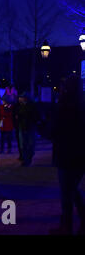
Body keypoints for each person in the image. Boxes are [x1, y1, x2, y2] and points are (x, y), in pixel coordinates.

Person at [50, 75, 84, 235]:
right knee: (73, 191)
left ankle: (66, 227)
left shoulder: (65, 106)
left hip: (66, 154)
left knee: (67, 194)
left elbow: (56, 131)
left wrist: (42, 126)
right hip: (79, 154)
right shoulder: (81, 104)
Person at [16, 92, 39, 166]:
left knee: (30, 144)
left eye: (21, 97)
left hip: (30, 128)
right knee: (24, 145)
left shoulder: (32, 106)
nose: (20, 99)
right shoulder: (20, 106)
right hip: (23, 127)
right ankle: (26, 160)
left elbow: (36, 116)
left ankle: (28, 159)